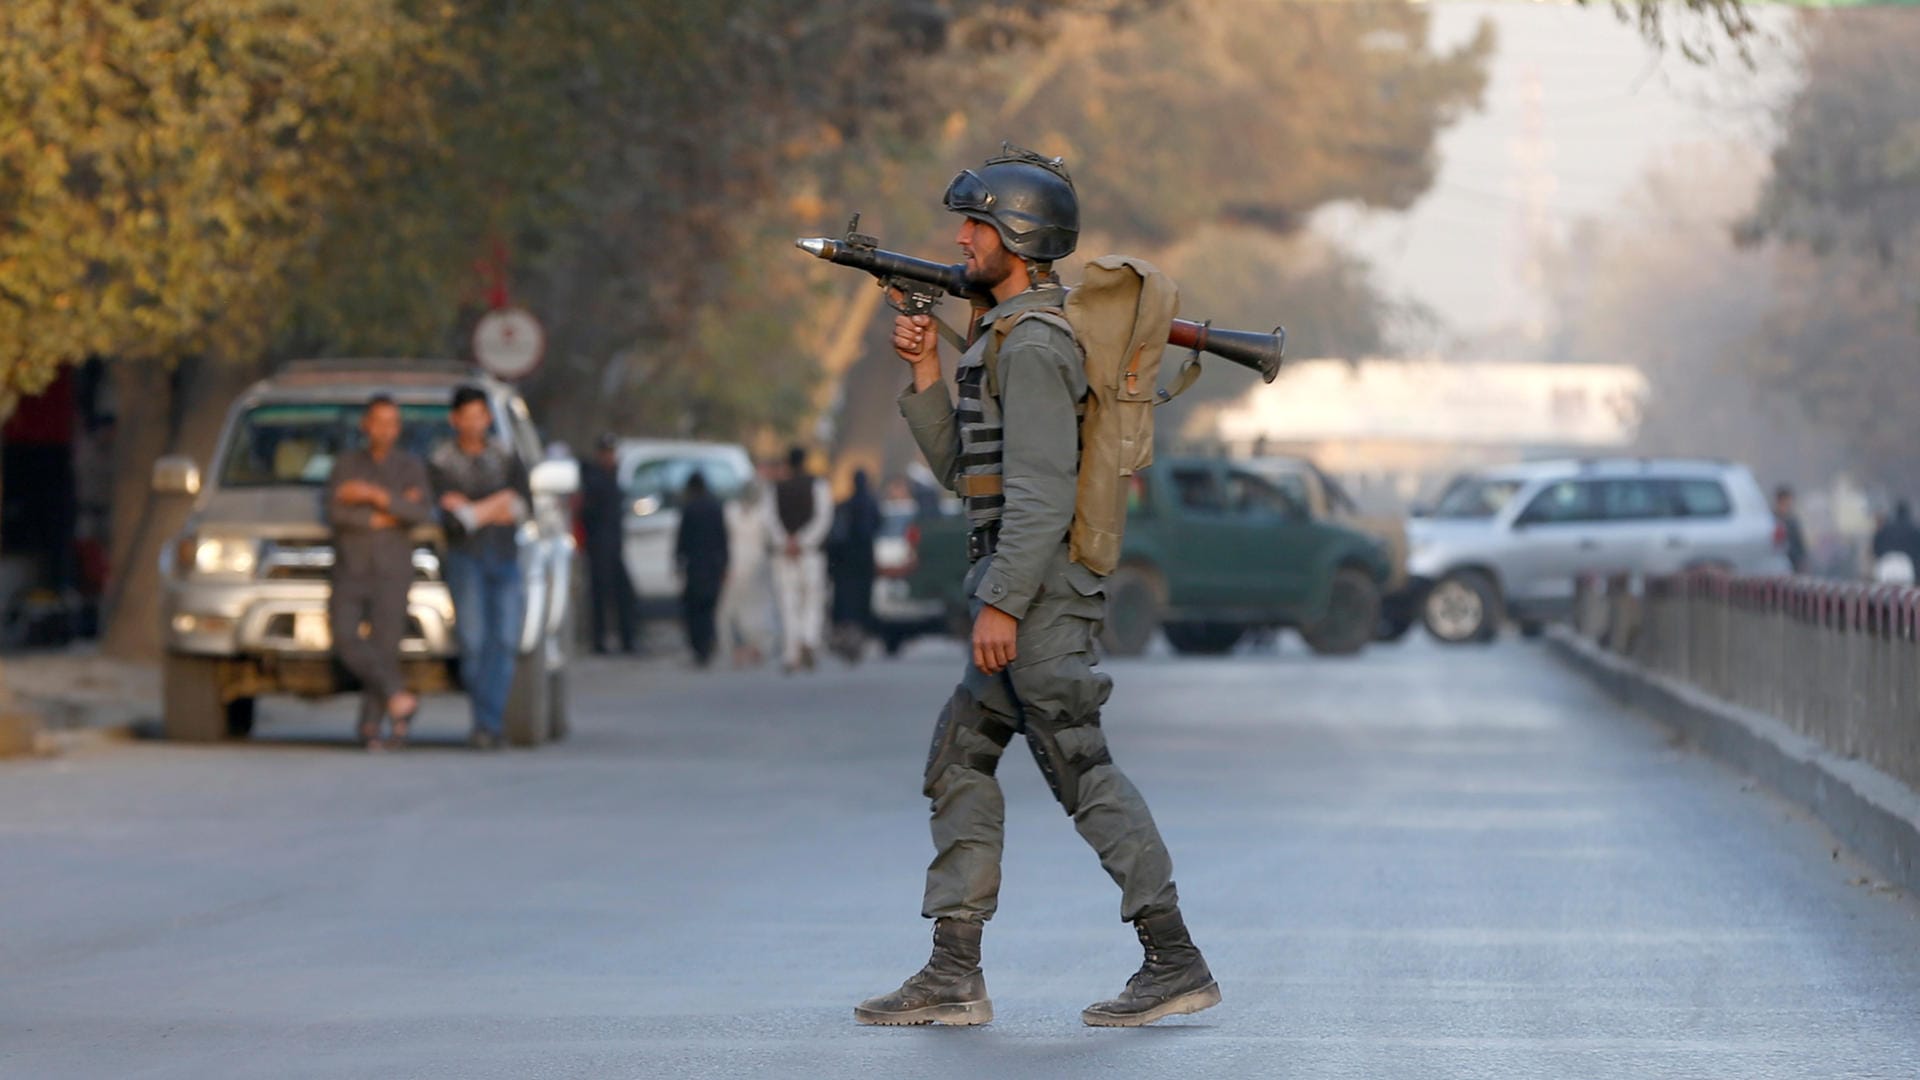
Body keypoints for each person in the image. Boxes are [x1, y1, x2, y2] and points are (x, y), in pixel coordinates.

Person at [855, 147, 1218, 1029]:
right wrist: (924, 376)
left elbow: (1044, 495)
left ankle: (1173, 960)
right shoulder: (1002, 338)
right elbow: (966, 474)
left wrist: (1003, 603)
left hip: (1039, 597)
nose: (960, 238)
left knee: (1080, 767)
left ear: (1016, 234)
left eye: (975, 224)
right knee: (961, 759)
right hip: (1019, 583)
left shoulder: (1037, 346)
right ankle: (952, 973)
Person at [326, 394, 432, 750]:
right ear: (365, 425)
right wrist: (387, 513)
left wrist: (372, 495)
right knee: (344, 638)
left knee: (385, 647)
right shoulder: (346, 464)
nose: (385, 429)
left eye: (392, 423)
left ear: (399, 428)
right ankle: (398, 696)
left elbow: (419, 512)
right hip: (351, 567)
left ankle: (372, 726)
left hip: (392, 569)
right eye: (378, 421)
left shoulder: (411, 466)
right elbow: (336, 512)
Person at [428, 385, 532, 751]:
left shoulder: (507, 456)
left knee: (503, 641)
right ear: (455, 420)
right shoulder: (441, 461)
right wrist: (496, 505)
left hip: (504, 557)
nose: (475, 423)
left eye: (480, 415)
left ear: (488, 418)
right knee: (473, 642)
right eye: (466, 416)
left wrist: (472, 511)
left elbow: (521, 508)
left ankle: (488, 724)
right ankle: (486, 719)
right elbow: (451, 521)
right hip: (465, 559)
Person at [763, 445, 831, 672]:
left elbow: (770, 520)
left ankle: (791, 654)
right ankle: (808, 640)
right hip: (811, 554)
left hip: (783, 556)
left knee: (788, 604)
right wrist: (803, 541)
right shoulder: (818, 485)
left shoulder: (776, 489)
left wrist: (787, 541)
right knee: (812, 599)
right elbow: (823, 518)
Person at [579, 434, 639, 654]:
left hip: (613, 545)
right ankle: (601, 642)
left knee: (623, 594)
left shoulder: (611, 476)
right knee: (600, 596)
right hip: (600, 546)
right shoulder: (595, 479)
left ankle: (626, 640)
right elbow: (589, 514)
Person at [718, 461, 776, 667]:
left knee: (736, 609)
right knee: (753, 609)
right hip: (752, 565)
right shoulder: (760, 514)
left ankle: (744, 648)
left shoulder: (732, 512)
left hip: (741, 565)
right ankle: (753, 647)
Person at [674, 471, 729, 667]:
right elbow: (723, 538)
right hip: (713, 565)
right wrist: (725, 565)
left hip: (694, 566)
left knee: (694, 609)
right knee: (709, 608)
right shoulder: (715, 507)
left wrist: (677, 563)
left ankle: (699, 647)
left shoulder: (689, 508)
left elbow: (681, 539)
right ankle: (707, 644)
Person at [827, 469, 881, 662]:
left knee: (845, 602)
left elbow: (835, 536)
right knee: (861, 603)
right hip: (863, 562)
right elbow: (876, 527)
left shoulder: (845, 506)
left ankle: (847, 637)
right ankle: (856, 638)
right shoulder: (871, 505)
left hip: (845, 562)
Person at [1871, 500, 1920, 584]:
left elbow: (1876, 546)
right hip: (1906, 565)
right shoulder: (1914, 529)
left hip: (1886, 563)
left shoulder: (1885, 528)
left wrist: (1881, 556)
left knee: (1883, 593)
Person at [1773, 485, 1808, 574]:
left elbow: (1800, 545)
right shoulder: (1771, 521)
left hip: (1793, 565)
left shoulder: (1793, 522)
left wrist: (1802, 562)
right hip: (1776, 565)